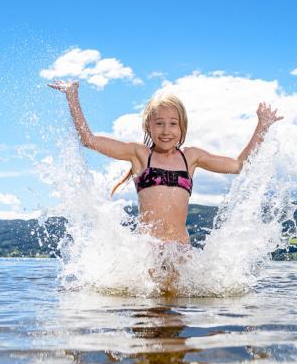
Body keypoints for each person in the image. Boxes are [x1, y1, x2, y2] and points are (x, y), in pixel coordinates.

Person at [48, 79, 282, 246]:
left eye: (173, 123)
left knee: (177, 315)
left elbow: (238, 166)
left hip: (180, 251)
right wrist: (72, 97)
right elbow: (89, 140)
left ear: (182, 128)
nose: (166, 131)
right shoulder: (140, 154)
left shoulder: (190, 157)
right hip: (146, 250)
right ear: (148, 126)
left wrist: (262, 127)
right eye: (159, 123)